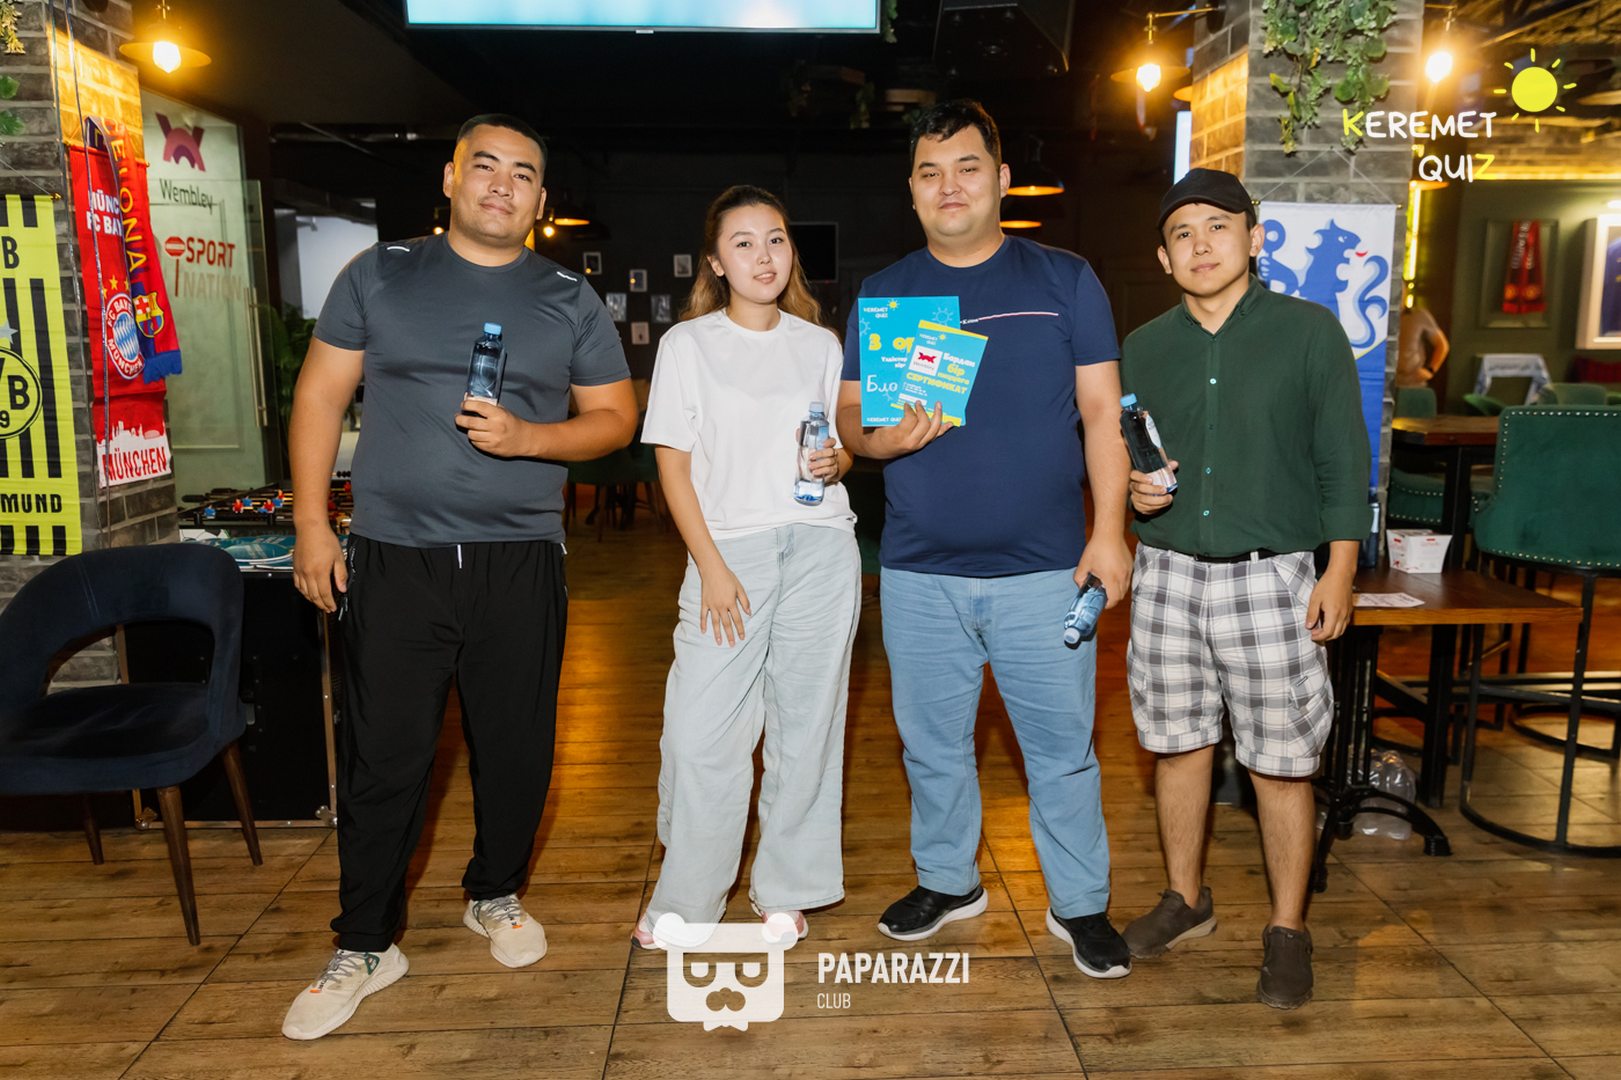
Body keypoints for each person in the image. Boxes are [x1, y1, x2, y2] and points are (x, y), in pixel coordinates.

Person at [281, 113, 637, 1040]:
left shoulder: (566, 296)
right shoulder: (380, 273)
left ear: (540, 199)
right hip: (395, 557)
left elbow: (614, 417)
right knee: (384, 755)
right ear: (450, 178)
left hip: (521, 559)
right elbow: (320, 392)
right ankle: (366, 942)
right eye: (485, 166)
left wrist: (531, 438)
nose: (501, 184)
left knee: (516, 748)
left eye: (522, 173)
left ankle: (495, 893)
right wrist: (312, 524)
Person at [836, 100, 1134, 979]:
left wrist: (1109, 533)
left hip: (1047, 572)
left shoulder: (1064, 280)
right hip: (919, 570)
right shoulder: (886, 293)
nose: (948, 187)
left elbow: (1101, 414)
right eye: (929, 173)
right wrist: (877, 440)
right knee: (930, 747)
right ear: (911, 191)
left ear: (1001, 179)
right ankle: (947, 881)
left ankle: (1079, 903)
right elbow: (851, 416)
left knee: (1061, 752)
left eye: (966, 167)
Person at [1118, 168, 1370, 1010]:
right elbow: (1133, 456)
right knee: (1176, 745)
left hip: (1272, 576)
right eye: (1181, 233)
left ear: (1253, 239)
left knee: (1281, 762)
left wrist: (1340, 568)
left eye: (1217, 227)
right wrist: (1136, 493)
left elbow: (1343, 458)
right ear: (1163, 257)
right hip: (1165, 572)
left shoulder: (1308, 332)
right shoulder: (1143, 346)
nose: (1200, 244)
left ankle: (1287, 928)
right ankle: (1184, 899)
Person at [634, 185, 860, 946]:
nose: (764, 256)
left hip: (821, 548)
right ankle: (687, 900)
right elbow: (672, 466)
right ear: (715, 262)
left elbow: (839, 446)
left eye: (776, 240)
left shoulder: (820, 345)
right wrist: (711, 565)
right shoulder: (687, 345)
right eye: (744, 243)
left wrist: (836, 461)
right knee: (701, 732)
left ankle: (787, 887)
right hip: (728, 552)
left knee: (806, 726)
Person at [1396, 304, 1449, 390]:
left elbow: (1442, 345)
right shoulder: (1381, 318)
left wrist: (1430, 370)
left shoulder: (1418, 315)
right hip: (1385, 384)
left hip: (1413, 385)